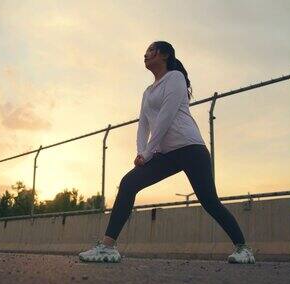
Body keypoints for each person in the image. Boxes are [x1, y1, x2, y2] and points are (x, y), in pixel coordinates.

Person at [78, 41, 255, 264]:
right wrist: (142, 152)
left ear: (165, 54)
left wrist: (149, 152)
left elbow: (166, 117)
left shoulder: (175, 78)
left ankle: (243, 248)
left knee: (209, 201)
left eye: (151, 51)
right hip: (164, 153)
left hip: (191, 148)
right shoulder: (147, 91)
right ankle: (107, 247)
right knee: (128, 184)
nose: (146, 55)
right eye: (145, 52)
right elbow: (143, 124)